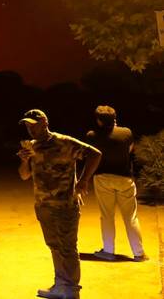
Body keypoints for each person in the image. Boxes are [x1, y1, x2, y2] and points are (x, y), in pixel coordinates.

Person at [17, 109, 101, 299]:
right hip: (43, 205)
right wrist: (24, 161)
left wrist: (83, 181)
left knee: (67, 247)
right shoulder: (31, 146)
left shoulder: (64, 142)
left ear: (45, 123)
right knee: (54, 246)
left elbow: (95, 154)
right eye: (27, 126)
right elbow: (24, 175)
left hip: (65, 206)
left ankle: (71, 290)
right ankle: (60, 285)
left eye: (34, 125)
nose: (30, 129)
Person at [86, 105, 147, 262]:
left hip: (103, 178)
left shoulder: (92, 135)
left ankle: (108, 251)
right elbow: (129, 150)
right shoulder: (126, 133)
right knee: (131, 217)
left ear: (98, 121)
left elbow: (90, 157)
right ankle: (139, 253)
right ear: (115, 118)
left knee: (107, 216)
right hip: (124, 177)